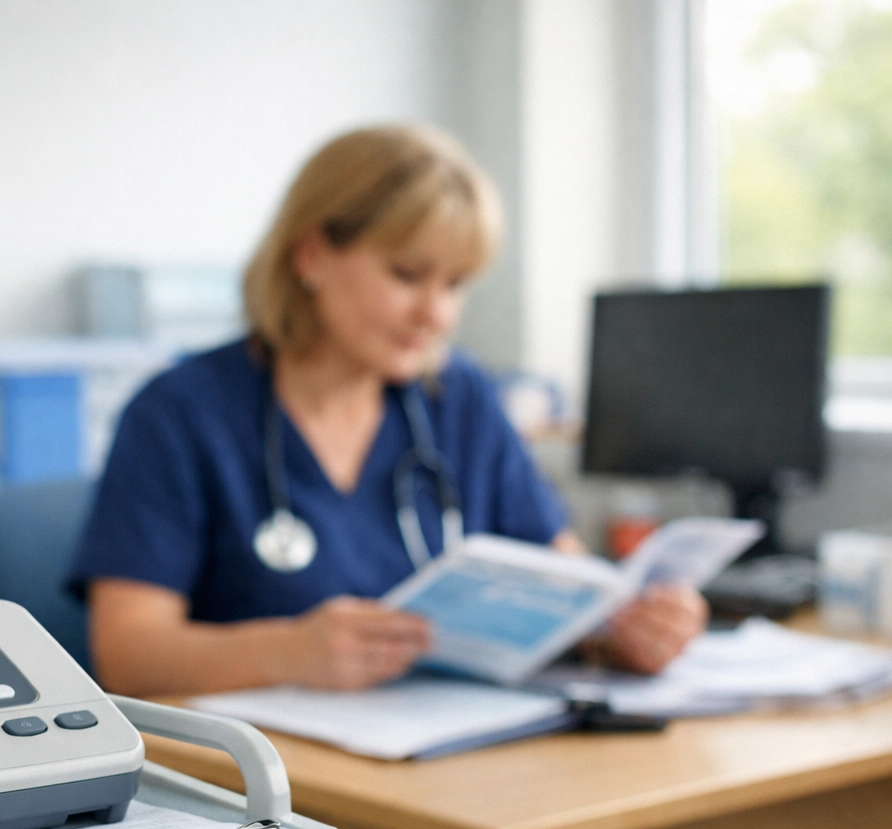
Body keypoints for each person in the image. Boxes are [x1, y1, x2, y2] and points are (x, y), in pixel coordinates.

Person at [67, 124, 708, 697]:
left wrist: (624, 629)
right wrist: (287, 652)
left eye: (454, 284)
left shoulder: (458, 400)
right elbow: (127, 655)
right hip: (268, 784)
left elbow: (568, 585)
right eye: (407, 275)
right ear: (311, 255)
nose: (436, 315)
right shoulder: (180, 414)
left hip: (453, 756)